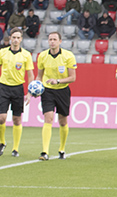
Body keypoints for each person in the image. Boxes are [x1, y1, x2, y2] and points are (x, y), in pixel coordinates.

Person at [36, 31, 77, 161]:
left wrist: (58, 81)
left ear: (60, 41)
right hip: (47, 90)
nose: (52, 42)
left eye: (54, 39)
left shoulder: (68, 56)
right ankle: (45, 151)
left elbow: (72, 77)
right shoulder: (42, 56)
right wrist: (35, 89)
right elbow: (39, 76)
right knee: (48, 118)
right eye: (50, 39)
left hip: (62, 90)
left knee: (62, 121)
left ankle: (62, 149)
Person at [0, 28, 34, 157]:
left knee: (17, 119)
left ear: (21, 39)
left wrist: (29, 92)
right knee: (1, 118)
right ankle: (2, 142)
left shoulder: (26, 55)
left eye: (18, 38)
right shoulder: (2, 52)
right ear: (10, 38)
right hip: (3, 87)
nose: (15, 40)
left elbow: (30, 75)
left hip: (18, 89)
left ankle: (15, 148)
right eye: (13, 37)